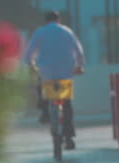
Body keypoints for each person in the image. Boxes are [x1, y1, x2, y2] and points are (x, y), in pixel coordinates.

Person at [24, 10, 85, 150]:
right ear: (59, 20)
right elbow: (79, 51)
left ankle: (45, 111)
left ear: (46, 21)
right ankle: (69, 137)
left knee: (41, 86)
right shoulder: (67, 31)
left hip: (47, 73)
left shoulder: (40, 32)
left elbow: (29, 54)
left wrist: (31, 65)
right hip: (65, 73)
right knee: (67, 104)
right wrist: (79, 66)